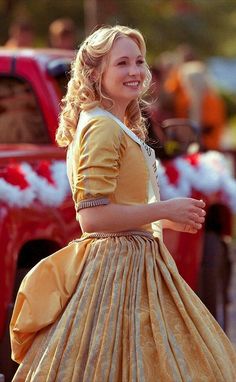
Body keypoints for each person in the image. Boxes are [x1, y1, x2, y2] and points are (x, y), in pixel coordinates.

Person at [10, 25, 236, 381]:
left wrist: (163, 216)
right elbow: (92, 217)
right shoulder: (102, 127)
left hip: (132, 262)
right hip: (116, 269)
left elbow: (117, 202)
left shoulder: (114, 123)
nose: (135, 71)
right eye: (122, 63)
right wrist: (163, 209)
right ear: (96, 73)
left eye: (139, 61)